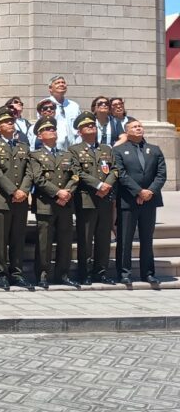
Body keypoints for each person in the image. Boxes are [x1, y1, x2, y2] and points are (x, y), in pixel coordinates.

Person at [0, 107, 34, 291]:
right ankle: (2, 274)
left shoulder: (23, 147)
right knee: (2, 239)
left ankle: (17, 273)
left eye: (12, 121)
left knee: (18, 238)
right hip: (2, 199)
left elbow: (29, 171)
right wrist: (13, 191)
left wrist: (23, 190)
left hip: (21, 199)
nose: (10, 124)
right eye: (6, 122)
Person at [27, 116, 80, 289]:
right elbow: (37, 178)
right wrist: (58, 192)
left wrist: (68, 192)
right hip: (46, 203)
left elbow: (75, 175)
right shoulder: (35, 155)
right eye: (47, 129)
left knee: (65, 240)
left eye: (53, 129)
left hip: (65, 203)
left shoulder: (67, 154)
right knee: (44, 242)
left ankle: (62, 274)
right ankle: (42, 274)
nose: (52, 131)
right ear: (39, 136)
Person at [113, 119, 166, 286]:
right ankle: (124, 273)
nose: (138, 128)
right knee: (125, 239)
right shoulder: (119, 150)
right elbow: (121, 174)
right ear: (126, 132)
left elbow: (161, 174)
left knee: (147, 238)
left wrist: (149, 192)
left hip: (150, 200)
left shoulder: (154, 149)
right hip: (128, 200)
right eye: (134, 127)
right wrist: (138, 191)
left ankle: (148, 273)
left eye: (140, 126)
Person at [69, 111, 118, 285]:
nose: (91, 127)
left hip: (105, 199)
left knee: (103, 237)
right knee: (85, 238)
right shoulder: (74, 150)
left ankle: (101, 272)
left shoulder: (106, 149)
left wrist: (107, 185)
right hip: (87, 199)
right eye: (86, 126)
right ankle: (85, 272)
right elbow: (77, 172)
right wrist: (98, 185)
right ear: (79, 131)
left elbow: (115, 169)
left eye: (92, 125)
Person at [46, 75, 80, 150]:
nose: (61, 84)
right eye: (57, 83)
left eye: (63, 82)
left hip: (73, 145)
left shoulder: (74, 106)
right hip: (54, 146)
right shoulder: (45, 104)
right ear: (50, 88)